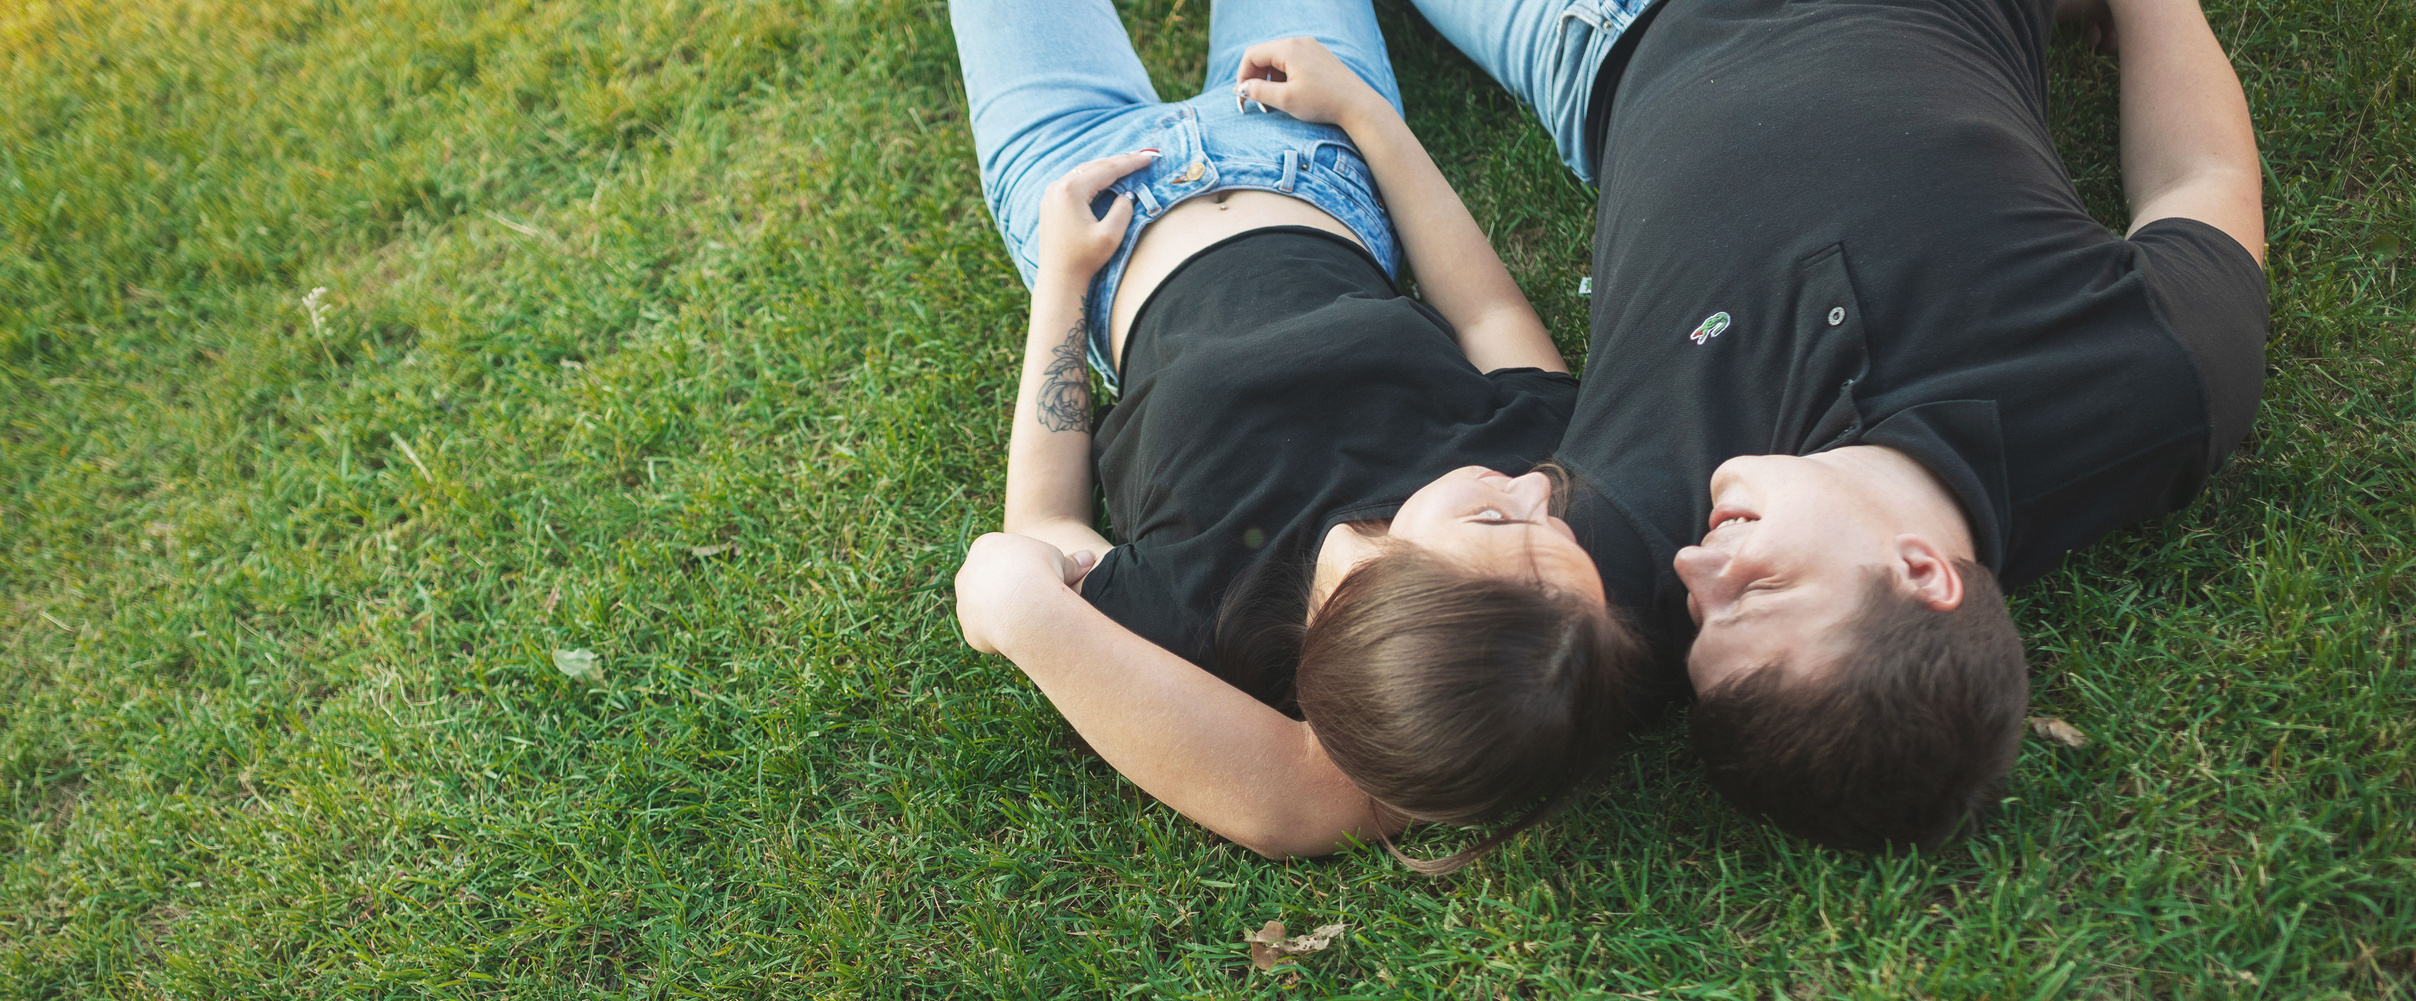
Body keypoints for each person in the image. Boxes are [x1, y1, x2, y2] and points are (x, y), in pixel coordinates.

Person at [1410, 0, 2268, 850]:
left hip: (1601, 34)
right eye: (1758, 588)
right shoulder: (2148, 384)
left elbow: (1397, 679)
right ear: (1923, 573)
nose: (1695, 567)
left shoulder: (1617, 578)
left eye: (1705, 621)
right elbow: (2201, 177)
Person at [945, 0, 1651, 863]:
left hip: (1089, 199)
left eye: (1504, 521)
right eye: (1560, 528)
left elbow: (1045, 529)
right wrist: (1363, 112)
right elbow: (1489, 309)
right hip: (1307, 146)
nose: (1542, 488)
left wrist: (1060, 277)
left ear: (1383, 593)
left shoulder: (1194, 609)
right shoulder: (1514, 462)